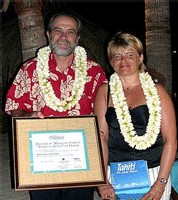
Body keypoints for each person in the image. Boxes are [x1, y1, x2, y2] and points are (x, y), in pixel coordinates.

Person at [5, 11, 108, 200]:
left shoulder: (94, 71)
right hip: (41, 160)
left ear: (77, 38)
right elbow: (14, 106)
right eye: (58, 30)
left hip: (82, 160)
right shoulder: (30, 69)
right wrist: (28, 116)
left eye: (70, 31)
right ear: (48, 34)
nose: (63, 36)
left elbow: (104, 114)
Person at [94, 32, 177, 200]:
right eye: (117, 56)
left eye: (129, 55)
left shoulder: (157, 91)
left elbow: (171, 140)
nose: (123, 61)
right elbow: (100, 138)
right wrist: (102, 181)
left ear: (140, 58)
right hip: (115, 174)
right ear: (111, 61)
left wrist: (160, 184)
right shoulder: (104, 92)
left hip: (153, 172)